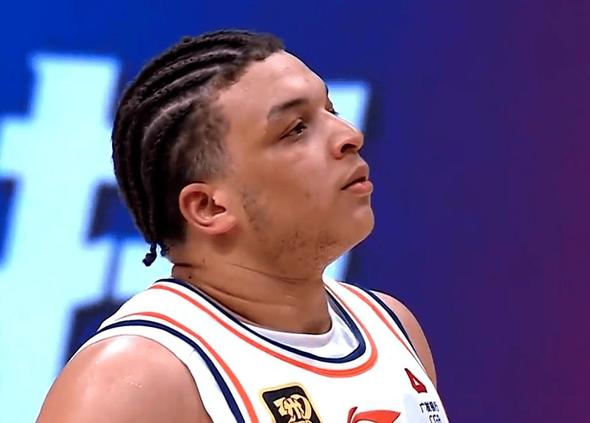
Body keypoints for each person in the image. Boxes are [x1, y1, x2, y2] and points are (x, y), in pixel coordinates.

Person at [37, 29, 450, 422]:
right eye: (296, 129)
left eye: (331, 110)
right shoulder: (135, 381)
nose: (350, 134)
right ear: (209, 207)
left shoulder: (391, 326)